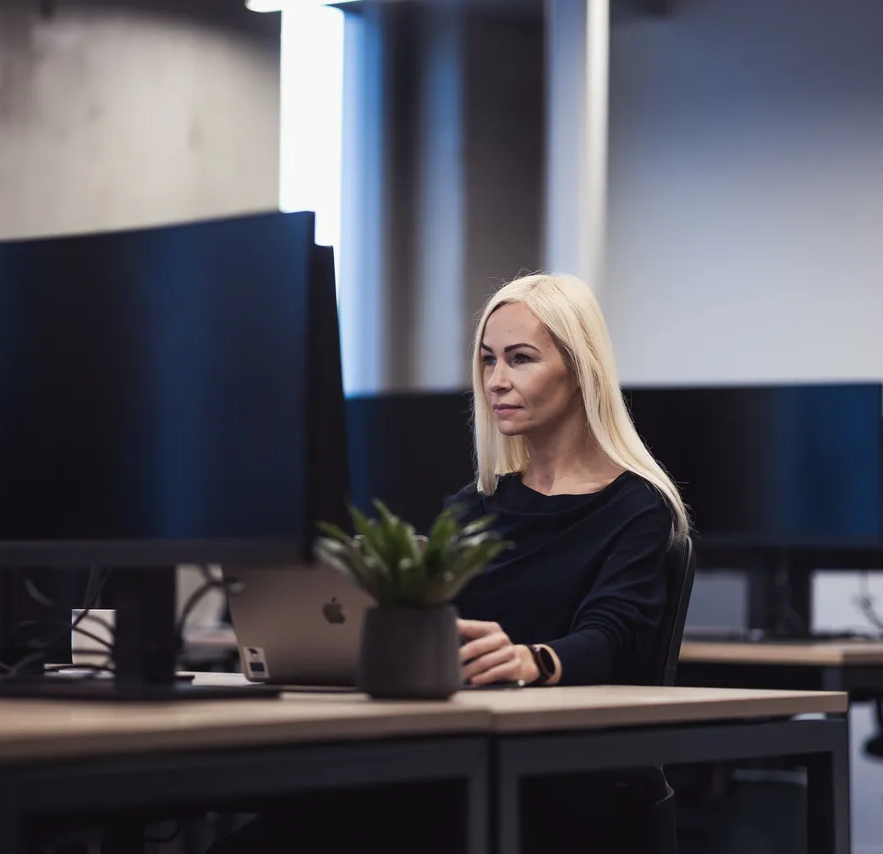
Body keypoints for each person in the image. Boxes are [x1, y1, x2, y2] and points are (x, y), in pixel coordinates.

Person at [212, 273, 688, 854]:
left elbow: (612, 635)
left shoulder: (636, 506)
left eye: (520, 359)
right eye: (488, 361)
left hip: (550, 779)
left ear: (581, 368)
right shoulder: (471, 507)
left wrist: (532, 660)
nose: (497, 381)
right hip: (445, 760)